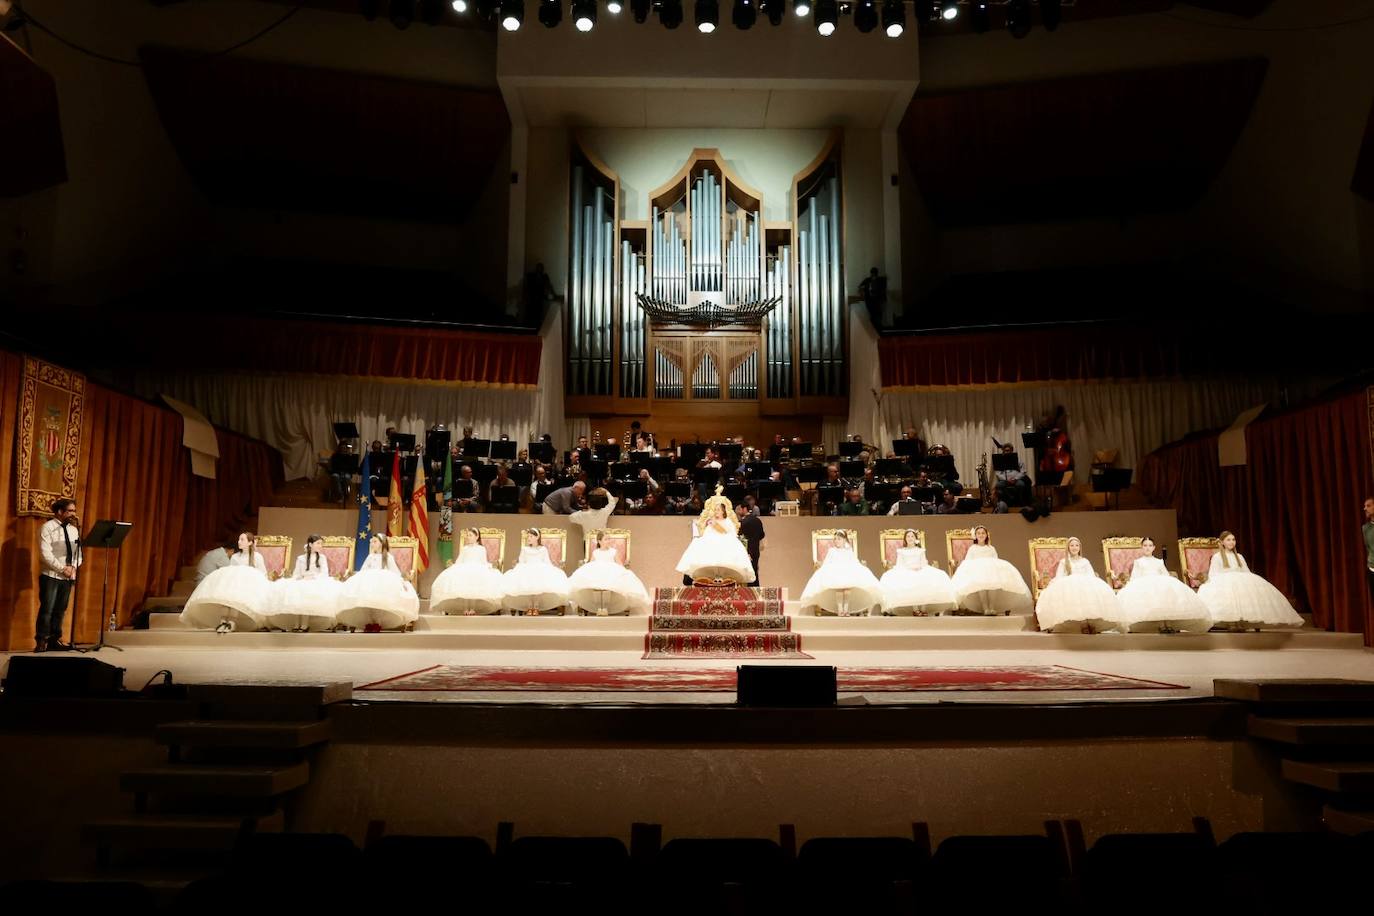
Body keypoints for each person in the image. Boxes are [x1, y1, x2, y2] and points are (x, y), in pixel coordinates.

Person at [1197, 531, 1304, 630]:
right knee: (1230, 597)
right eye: (1228, 540)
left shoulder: (1239, 556)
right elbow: (1214, 573)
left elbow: (1246, 571)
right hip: (1225, 581)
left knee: (1244, 595)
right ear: (1222, 542)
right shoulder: (1217, 557)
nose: (1232, 542)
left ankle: (1240, 621)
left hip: (1240, 580)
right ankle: (1231, 622)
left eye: (1233, 539)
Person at [1115, 536, 1212, 633]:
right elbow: (1135, 577)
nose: (1147, 548)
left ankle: (1167, 624)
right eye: (1145, 545)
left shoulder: (1159, 561)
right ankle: (1159, 624)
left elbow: (1165, 575)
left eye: (1150, 545)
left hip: (1159, 583)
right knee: (1151, 596)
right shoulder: (1138, 562)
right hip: (1144, 584)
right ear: (1142, 547)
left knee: (1164, 594)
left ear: (1154, 547)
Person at [181, 532, 269, 633]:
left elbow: (262, 573)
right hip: (236, 584)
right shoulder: (236, 556)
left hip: (249, 586)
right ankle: (223, 621)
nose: (239, 542)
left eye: (242, 539)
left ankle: (232, 622)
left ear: (250, 543)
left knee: (236, 598)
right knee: (228, 596)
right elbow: (230, 572)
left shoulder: (257, 557)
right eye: (239, 539)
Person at [1033, 536, 1123, 633]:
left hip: (1084, 585)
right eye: (1072, 545)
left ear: (1079, 548)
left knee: (1088, 594)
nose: (1074, 547)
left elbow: (1091, 575)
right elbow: (1059, 577)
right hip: (1069, 585)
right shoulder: (1064, 562)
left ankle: (1089, 623)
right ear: (1068, 547)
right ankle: (1078, 623)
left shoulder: (1085, 561)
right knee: (1071, 595)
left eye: (1076, 545)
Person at [337, 533, 420, 631]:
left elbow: (395, 572)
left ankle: (378, 622)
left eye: (375, 541)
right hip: (369, 580)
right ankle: (369, 621)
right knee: (367, 597)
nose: (372, 543)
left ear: (382, 543)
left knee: (380, 598)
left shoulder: (388, 557)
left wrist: (402, 583)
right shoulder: (370, 557)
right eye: (371, 541)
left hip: (383, 581)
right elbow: (363, 570)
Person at [675, 490, 755, 584]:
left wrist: (716, 526)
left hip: (726, 542)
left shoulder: (727, 521)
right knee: (698, 544)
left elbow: (730, 533)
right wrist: (707, 525)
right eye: (715, 510)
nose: (716, 512)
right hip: (711, 541)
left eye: (718, 510)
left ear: (723, 511)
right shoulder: (711, 521)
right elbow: (706, 534)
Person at [950, 526, 1033, 615]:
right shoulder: (973, 548)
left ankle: (992, 607)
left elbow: (995, 561)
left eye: (983, 533)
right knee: (981, 584)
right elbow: (968, 561)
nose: (981, 535)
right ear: (975, 536)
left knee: (992, 584)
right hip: (978, 572)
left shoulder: (991, 548)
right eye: (979, 533)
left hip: (990, 572)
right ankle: (985, 607)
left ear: (986, 535)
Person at [268, 534, 342, 632]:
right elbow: (296, 574)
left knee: (307, 593)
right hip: (302, 581)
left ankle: (304, 625)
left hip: (316, 582)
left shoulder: (322, 558)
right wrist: (301, 578)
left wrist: (313, 577)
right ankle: (296, 624)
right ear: (310, 544)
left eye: (321, 544)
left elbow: (324, 573)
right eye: (318, 543)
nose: (320, 546)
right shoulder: (301, 558)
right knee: (297, 592)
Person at [567, 529, 651, 615]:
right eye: (606, 539)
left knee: (608, 584)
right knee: (596, 584)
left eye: (609, 539)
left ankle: (605, 607)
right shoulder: (596, 552)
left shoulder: (613, 552)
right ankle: (599, 607)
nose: (609, 541)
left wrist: (624, 573)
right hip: (598, 572)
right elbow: (591, 564)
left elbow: (619, 565)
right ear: (599, 541)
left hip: (611, 572)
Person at [36, 497, 83, 651]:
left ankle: (54, 640)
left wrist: (74, 567)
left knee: (60, 610)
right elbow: (45, 554)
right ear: (59, 511)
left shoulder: (74, 529)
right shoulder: (47, 528)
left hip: (68, 576)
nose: (73, 514)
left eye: (74, 511)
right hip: (51, 575)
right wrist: (63, 568)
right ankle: (42, 640)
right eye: (70, 511)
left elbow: (79, 553)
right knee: (47, 608)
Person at [800, 530, 883, 616]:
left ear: (844, 540)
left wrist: (861, 565)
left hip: (847, 571)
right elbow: (827, 562)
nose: (836, 541)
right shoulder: (832, 550)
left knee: (847, 588)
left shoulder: (849, 550)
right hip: (835, 572)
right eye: (835, 539)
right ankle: (840, 609)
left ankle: (846, 609)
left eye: (839, 539)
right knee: (839, 586)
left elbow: (854, 561)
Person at [879, 529, 957, 616]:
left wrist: (919, 568)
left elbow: (924, 563)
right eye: (908, 536)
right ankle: (915, 609)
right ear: (905, 539)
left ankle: (923, 609)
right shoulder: (901, 551)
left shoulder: (920, 550)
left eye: (912, 536)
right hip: (906, 570)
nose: (910, 538)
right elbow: (900, 564)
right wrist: (909, 569)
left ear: (915, 538)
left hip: (920, 569)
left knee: (929, 579)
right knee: (911, 581)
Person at [431, 527, 506, 616]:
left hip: (477, 568)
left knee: (474, 582)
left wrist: (489, 567)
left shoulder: (481, 549)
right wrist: (453, 566)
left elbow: (483, 562)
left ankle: (473, 608)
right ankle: (465, 608)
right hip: (465, 567)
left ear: (476, 536)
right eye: (467, 535)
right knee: (463, 581)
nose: (468, 537)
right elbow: (459, 561)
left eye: (470, 535)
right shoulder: (465, 548)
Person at [501, 528, 571, 616]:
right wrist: (519, 568)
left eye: (531, 536)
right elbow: (522, 561)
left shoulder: (543, 549)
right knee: (528, 586)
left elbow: (546, 561)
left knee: (538, 585)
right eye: (528, 536)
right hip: (527, 568)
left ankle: (536, 606)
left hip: (540, 568)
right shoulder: (525, 549)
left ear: (537, 537)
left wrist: (551, 569)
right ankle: (530, 606)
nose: (529, 538)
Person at [993, 443, 1032, 511]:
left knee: (1021, 485)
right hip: (1005, 480)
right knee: (998, 485)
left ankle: (1021, 502)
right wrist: (1006, 479)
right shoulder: (1000, 461)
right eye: (1006, 450)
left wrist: (1015, 478)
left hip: (1016, 479)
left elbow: (1023, 471)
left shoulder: (1018, 460)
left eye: (1009, 450)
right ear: (1003, 451)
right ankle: (1006, 502)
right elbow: (998, 473)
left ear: (1012, 451)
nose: (1007, 452)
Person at [735, 502, 765, 586]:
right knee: (754, 571)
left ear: (744, 509)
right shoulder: (757, 520)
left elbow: (738, 537)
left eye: (739, 509)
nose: (738, 512)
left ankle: (747, 593)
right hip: (755, 550)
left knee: (746, 574)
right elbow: (762, 535)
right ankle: (756, 592)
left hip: (746, 551)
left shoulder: (742, 522)